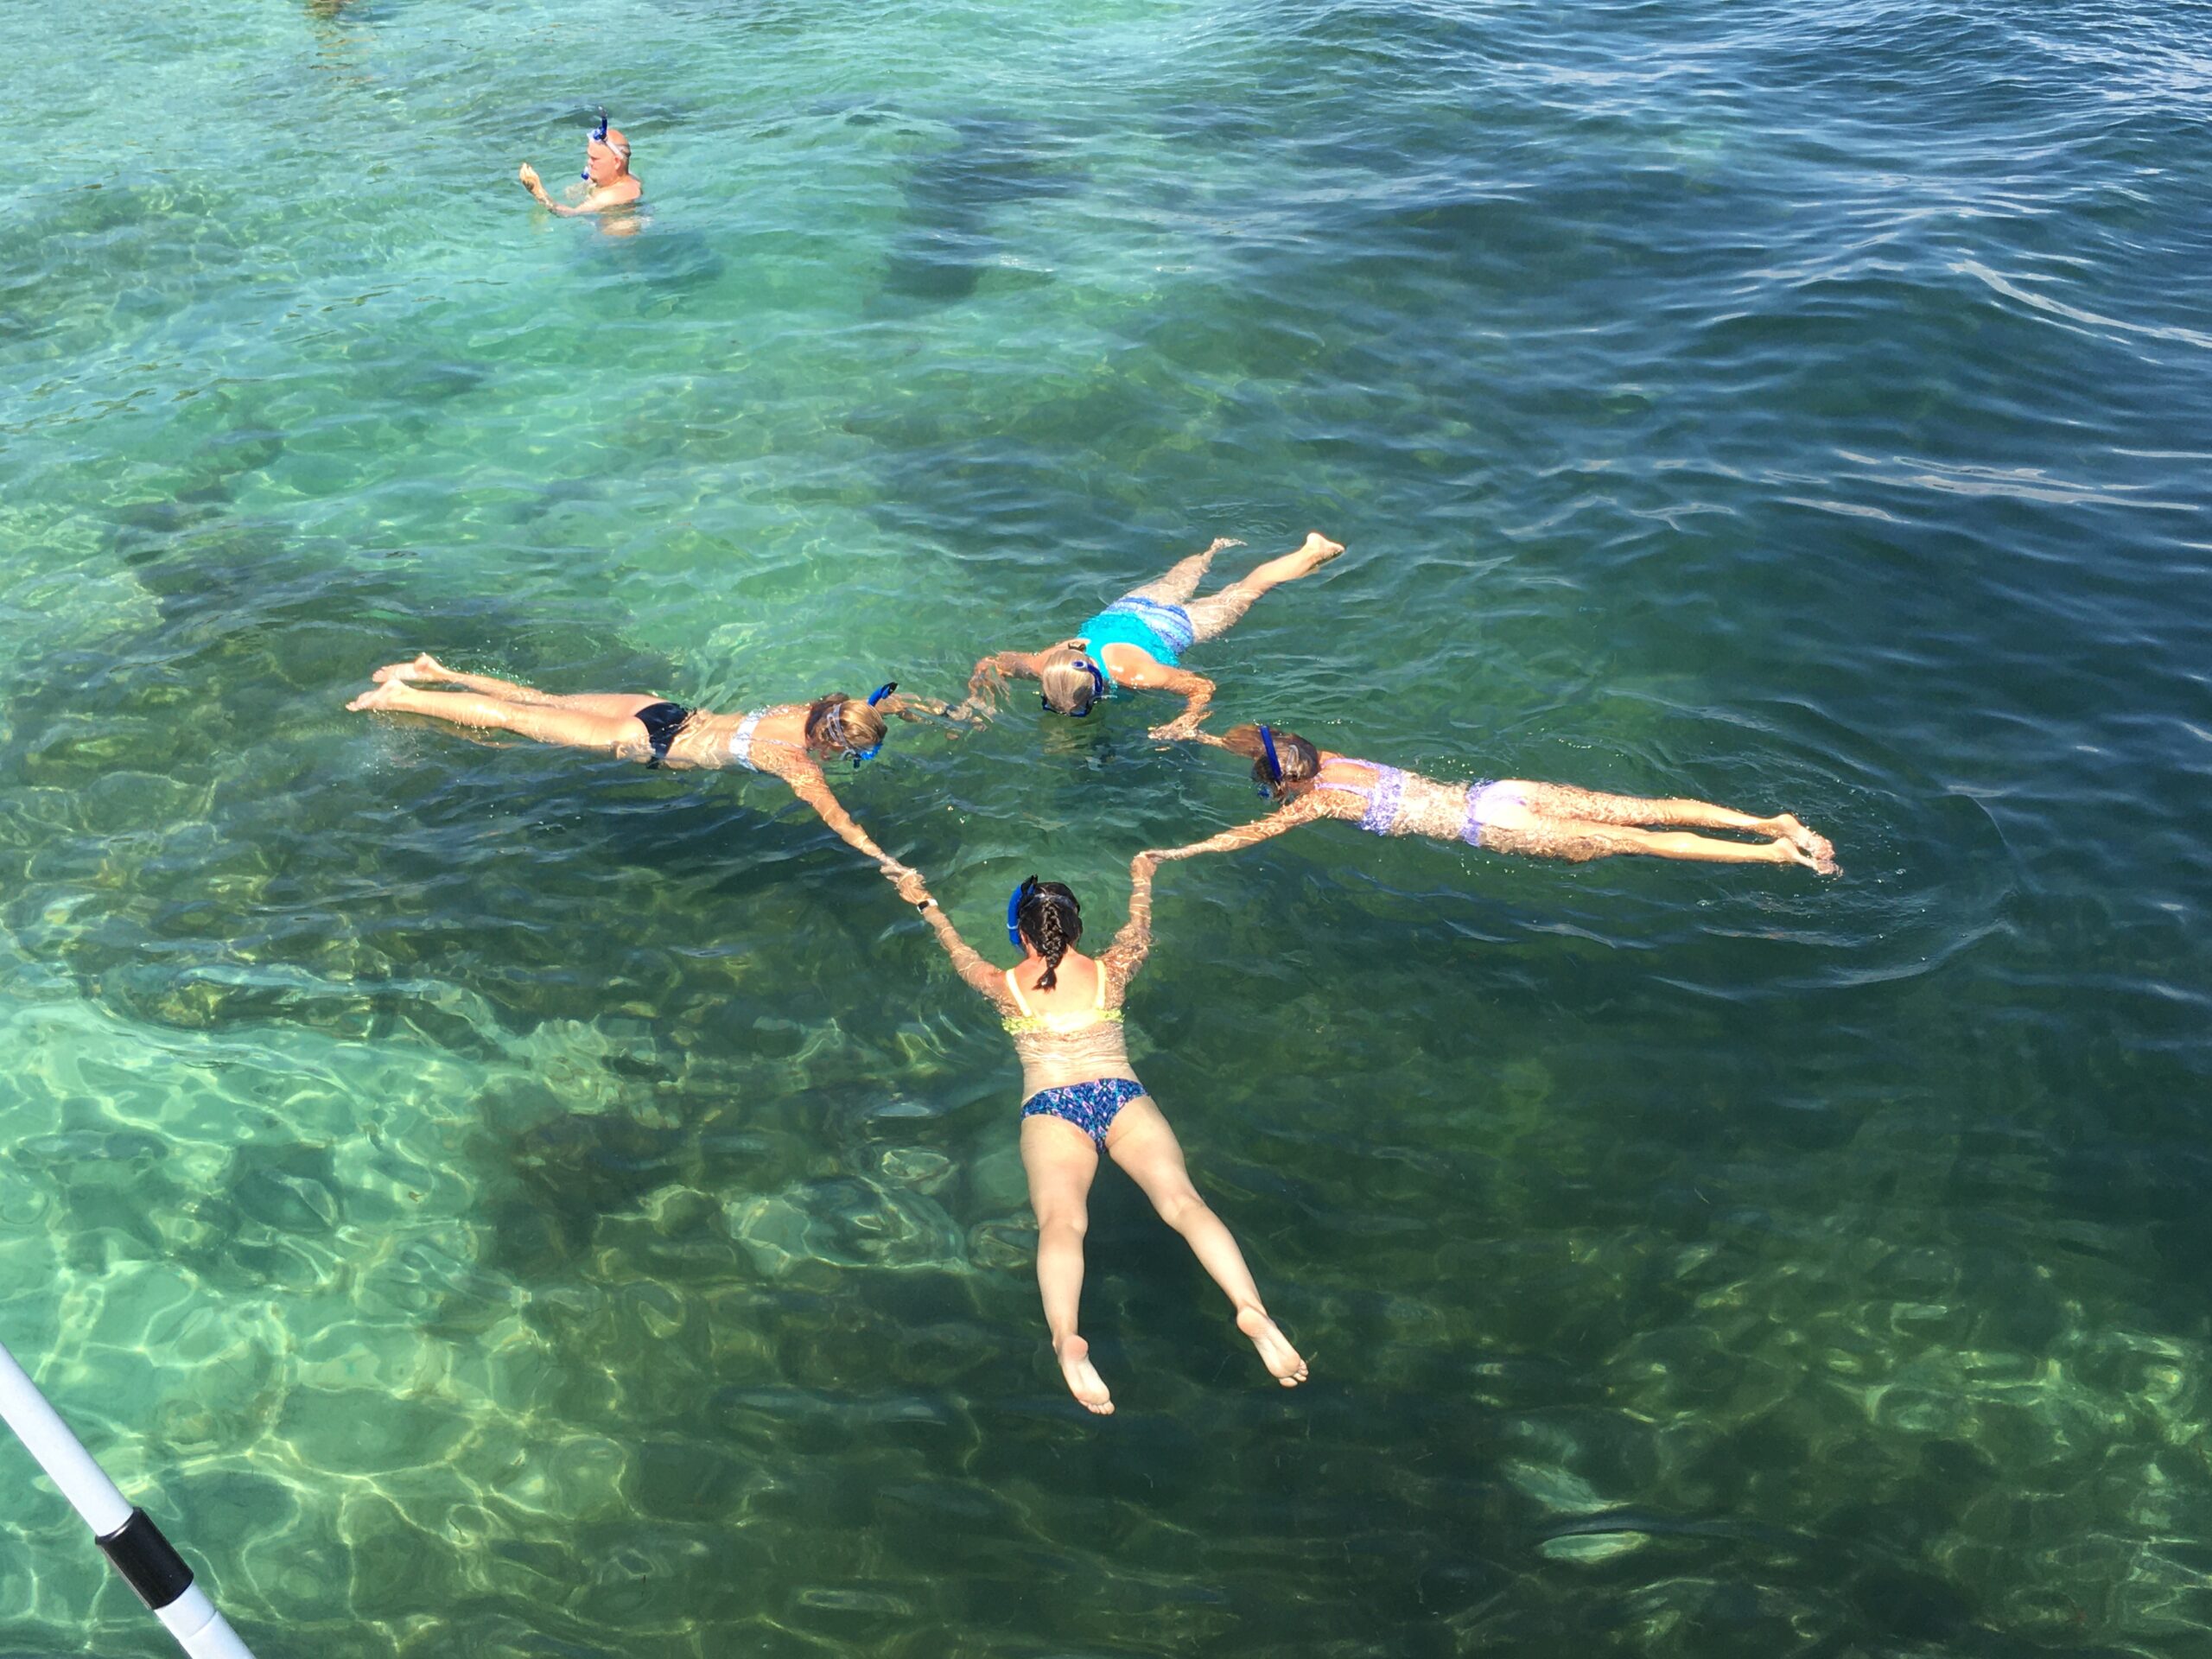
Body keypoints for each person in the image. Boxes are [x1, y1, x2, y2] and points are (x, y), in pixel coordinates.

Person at [893, 861, 1308, 1414]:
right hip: (1121, 1095)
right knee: (1184, 1203)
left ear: (1020, 936)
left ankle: (1068, 1337)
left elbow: (955, 948)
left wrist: (925, 903)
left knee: (1063, 1223)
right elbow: (1141, 928)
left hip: (1052, 1105)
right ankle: (1250, 1305)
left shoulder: (1003, 985)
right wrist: (1144, 877)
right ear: (1077, 931)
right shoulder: (1112, 970)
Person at [346, 654, 935, 878]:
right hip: (641, 741)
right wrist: (891, 865)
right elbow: (839, 822)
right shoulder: (794, 762)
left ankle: (435, 669)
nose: (843, 761)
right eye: (851, 754)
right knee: (508, 720)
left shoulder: (813, 709)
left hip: (662, 710)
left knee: (544, 700)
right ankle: (399, 696)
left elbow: (869, 703)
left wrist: (903, 707)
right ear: (833, 743)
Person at [1148, 724, 1838, 873]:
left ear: (1288, 782)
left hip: (1489, 831)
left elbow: (1247, 837)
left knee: (1643, 845)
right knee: (1646, 809)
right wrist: (1200, 737)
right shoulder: (1333, 760)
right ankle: (1768, 821)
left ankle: (1777, 854)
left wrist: (1178, 850)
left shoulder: (1318, 802)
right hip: (1498, 793)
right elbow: (1261, 741)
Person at [961, 532, 1345, 740]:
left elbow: (1201, 686)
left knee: (1248, 589)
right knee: (1178, 580)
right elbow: (993, 663)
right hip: (1132, 608)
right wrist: (978, 698)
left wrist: (1185, 722)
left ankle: (1314, 551)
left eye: (1079, 710)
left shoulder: (1135, 675)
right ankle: (1212, 548)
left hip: (1172, 625)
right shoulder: (1048, 663)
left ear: (1098, 687)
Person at [518, 112, 643, 218]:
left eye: (595, 159)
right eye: (589, 157)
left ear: (616, 162)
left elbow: (569, 214)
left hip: (612, 241)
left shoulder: (610, 196)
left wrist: (538, 192)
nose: (589, 162)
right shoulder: (629, 176)